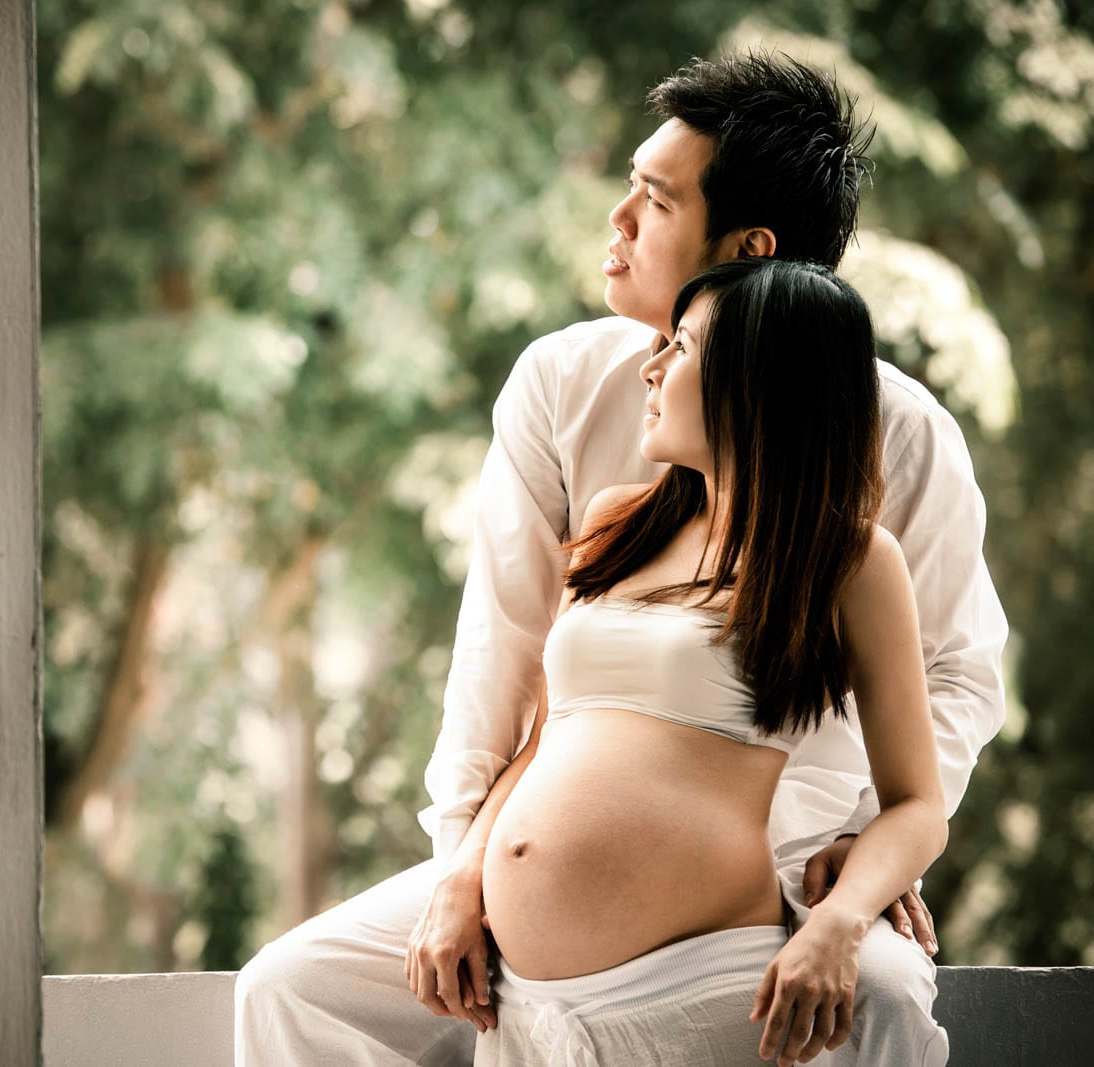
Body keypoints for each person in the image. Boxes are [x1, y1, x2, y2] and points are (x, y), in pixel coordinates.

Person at [235, 52, 1006, 1067]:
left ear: (746, 247)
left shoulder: (897, 437)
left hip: (775, 861)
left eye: (652, 199)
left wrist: (857, 859)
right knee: (290, 991)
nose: (615, 222)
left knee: (887, 993)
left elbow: (952, 678)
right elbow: (505, 661)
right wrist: (463, 869)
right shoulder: (562, 387)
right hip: (529, 848)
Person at [463, 255, 945, 1065]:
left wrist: (837, 920)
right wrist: (463, 873)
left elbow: (916, 804)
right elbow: (547, 742)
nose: (650, 369)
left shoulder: (853, 560)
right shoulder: (622, 524)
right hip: (527, 1009)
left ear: (758, 380)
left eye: (679, 348)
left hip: (709, 994)